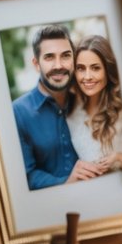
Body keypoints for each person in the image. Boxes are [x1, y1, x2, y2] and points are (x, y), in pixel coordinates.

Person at [12, 25, 102, 189]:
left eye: (66, 56)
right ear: (36, 64)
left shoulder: (88, 97)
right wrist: (67, 182)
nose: (58, 65)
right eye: (49, 57)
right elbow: (27, 174)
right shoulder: (18, 112)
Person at [68, 36, 122, 185]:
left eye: (95, 68)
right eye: (81, 68)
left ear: (108, 70)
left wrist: (117, 157)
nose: (87, 77)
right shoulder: (72, 109)